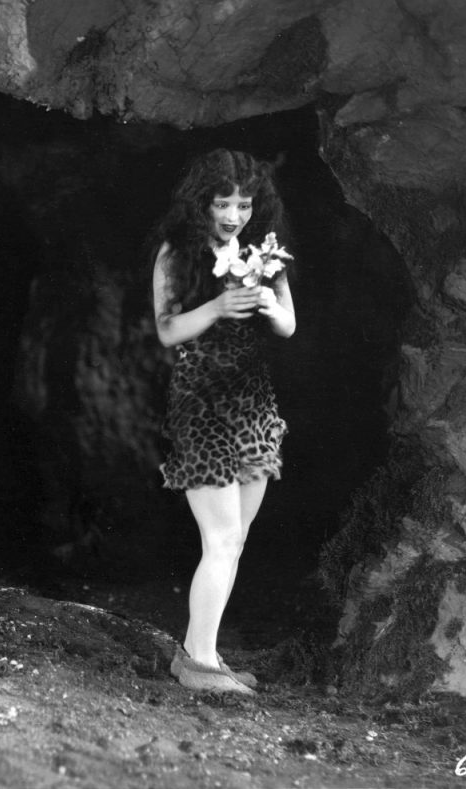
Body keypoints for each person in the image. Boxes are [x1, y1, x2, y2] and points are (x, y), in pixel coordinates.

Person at [150, 149, 295, 694]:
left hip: (253, 404)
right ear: (202, 203)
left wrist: (267, 304)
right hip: (202, 402)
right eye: (223, 203)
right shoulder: (176, 252)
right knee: (222, 535)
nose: (234, 215)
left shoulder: (264, 253)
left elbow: (288, 325)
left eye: (245, 204)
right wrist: (217, 307)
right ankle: (200, 664)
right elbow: (167, 330)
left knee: (236, 539)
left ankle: (199, 654)